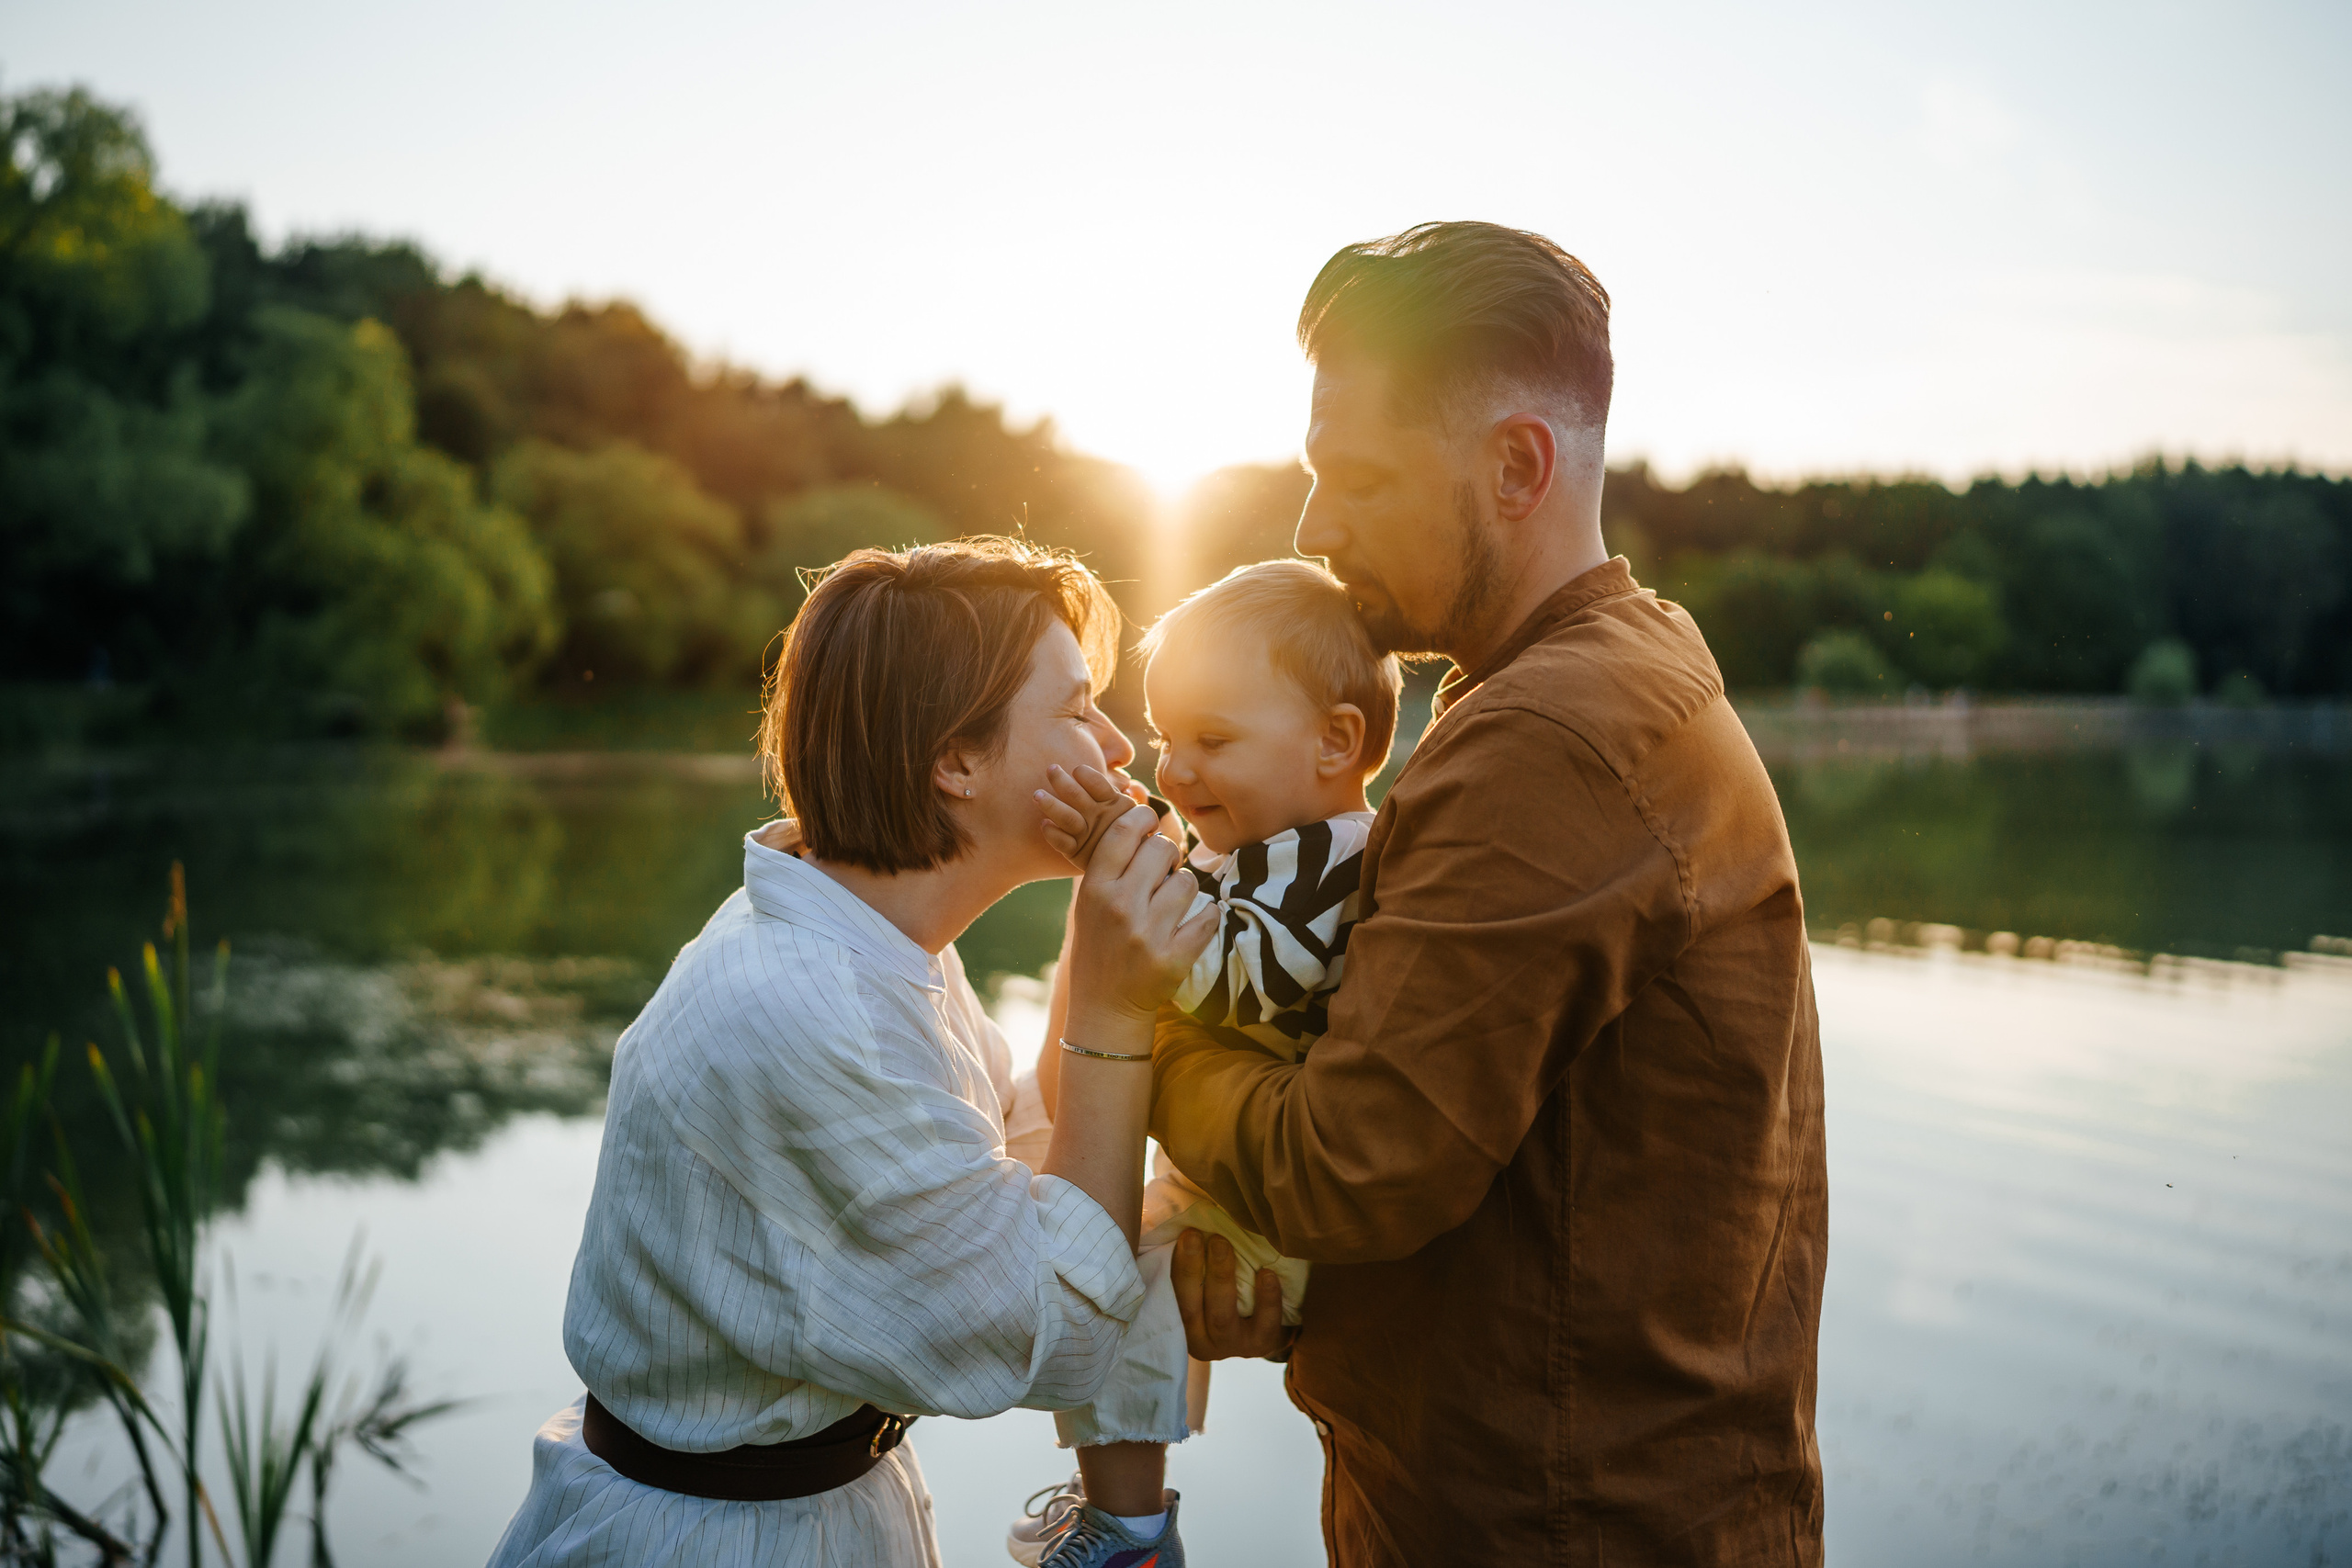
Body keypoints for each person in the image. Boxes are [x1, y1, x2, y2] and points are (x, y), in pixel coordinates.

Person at [1093, 221, 1831, 1564]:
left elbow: (1345, 1165)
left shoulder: (1553, 735)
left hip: (1557, 1528)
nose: (1316, 526)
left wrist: (1150, 1041)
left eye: (1358, 477)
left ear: (1515, 466)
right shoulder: (1604, 667)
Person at [485, 538, 1217, 1568]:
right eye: (1079, 707)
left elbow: (1026, 1169)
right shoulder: (807, 1010)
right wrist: (1107, 999)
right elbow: (1058, 1331)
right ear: (954, 760)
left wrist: (1102, 944)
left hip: (811, 1507)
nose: (1118, 749)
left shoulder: (877, 945)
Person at [1004, 559, 1403, 1566]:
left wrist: (1121, 856)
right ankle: (1116, 1506)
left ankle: (1128, 1529)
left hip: (1276, 1215)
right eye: (1168, 740)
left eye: (1211, 742)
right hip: (1231, 1175)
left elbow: (1234, 977)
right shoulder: (1263, 849)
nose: (1173, 773)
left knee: (1117, 1282)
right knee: (1085, 1221)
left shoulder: (1331, 856)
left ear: (1336, 741)